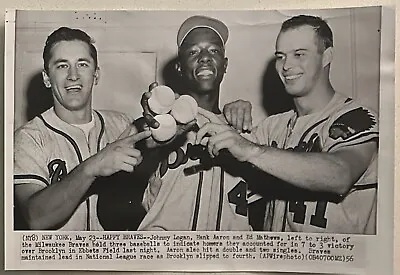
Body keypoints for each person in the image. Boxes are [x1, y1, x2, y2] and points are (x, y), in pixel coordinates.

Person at [196, 15, 378, 234]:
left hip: (336, 265)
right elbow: (222, 171)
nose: (287, 66)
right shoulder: (273, 127)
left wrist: (251, 150)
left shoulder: (358, 117)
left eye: (299, 54)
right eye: (281, 56)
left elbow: (340, 175)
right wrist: (229, 114)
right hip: (280, 262)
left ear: (326, 56)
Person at [13, 27, 151, 230]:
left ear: (96, 75)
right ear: (46, 78)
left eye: (82, 64)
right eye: (62, 66)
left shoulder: (122, 124)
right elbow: (35, 218)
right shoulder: (28, 138)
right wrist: (92, 167)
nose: (73, 76)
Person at [137, 15, 264, 231]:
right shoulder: (160, 124)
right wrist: (148, 142)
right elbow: (121, 202)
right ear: (179, 67)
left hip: (228, 260)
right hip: (165, 258)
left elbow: (260, 209)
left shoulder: (247, 132)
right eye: (193, 51)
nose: (205, 57)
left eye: (214, 50)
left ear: (224, 65)